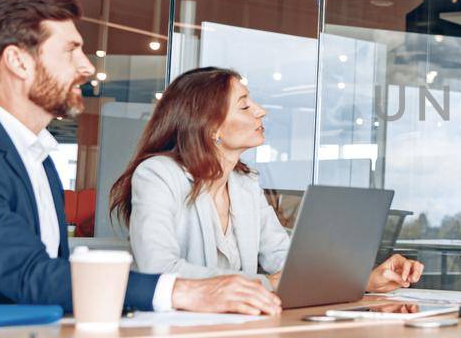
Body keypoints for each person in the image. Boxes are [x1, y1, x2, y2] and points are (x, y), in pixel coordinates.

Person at [0, 0, 282, 316]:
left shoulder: (34, 155)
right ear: (18, 62)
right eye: (70, 51)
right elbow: (29, 275)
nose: (86, 66)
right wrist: (184, 292)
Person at [109, 66, 424, 292]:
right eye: (245, 105)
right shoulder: (157, 175)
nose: (260, 111)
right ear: (210, 127)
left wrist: (366, 279)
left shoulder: (244, 185)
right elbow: (157, 268)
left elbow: (285, 261)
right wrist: (261, 284)